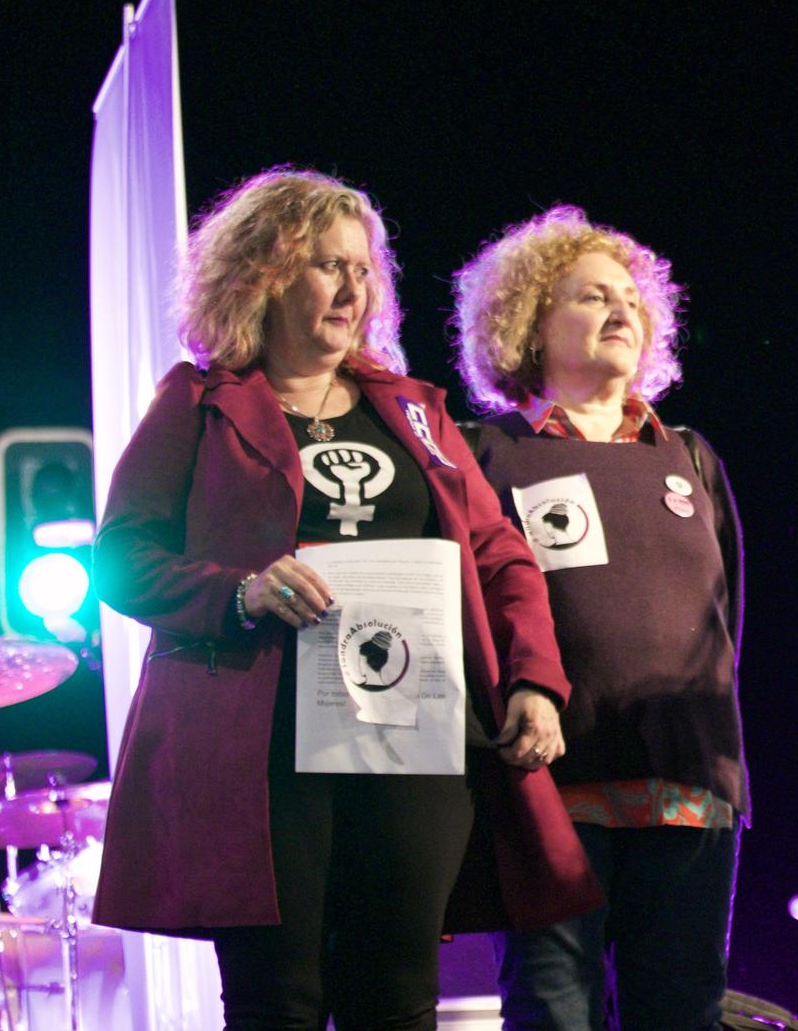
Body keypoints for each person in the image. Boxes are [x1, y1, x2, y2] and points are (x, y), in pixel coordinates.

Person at [93, 168, 600, 1030]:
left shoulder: (413, 411)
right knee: (277, 1003)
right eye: (328, 265)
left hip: (411, 739)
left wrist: (534, 680)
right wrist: (242, 591)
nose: (353, 288)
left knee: (398, 1000)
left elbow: (501, 553)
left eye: (364, 270)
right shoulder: (199, 401)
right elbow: (121, 558)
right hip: (263, 757)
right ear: (263, 275)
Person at [453, 206, 746, 1031]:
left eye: (629, 298)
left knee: (683, 1015)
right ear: (530, 326)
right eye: (590, 296)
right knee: (552, 1015)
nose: (622, 310)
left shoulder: (689, 455)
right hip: (549, 788)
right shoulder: (491, 452)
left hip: (687, 788)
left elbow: (723, 623)